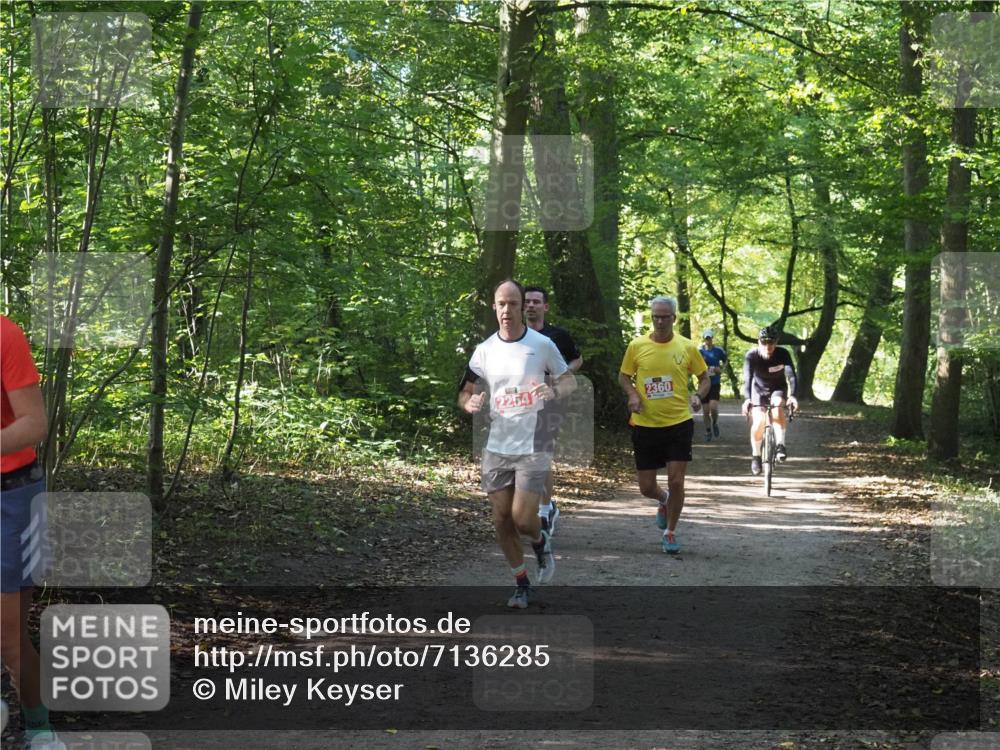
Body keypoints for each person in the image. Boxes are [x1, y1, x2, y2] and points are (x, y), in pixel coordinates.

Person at [459, 280, 576, 608]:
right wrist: (469, 403)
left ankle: (540, 541)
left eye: (513, 303)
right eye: (501, 304)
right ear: (494, 307)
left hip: (534, 442)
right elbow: (465, 390)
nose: (507, 310)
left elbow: (569, 381)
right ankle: (522, 583)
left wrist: (553, 390)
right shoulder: (484, 350)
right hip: (497, 445)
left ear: (522, 306)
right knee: (501, 519)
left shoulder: (542, 345)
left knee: (523, 519)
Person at [1, 314, 63, 750]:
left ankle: (40, 730)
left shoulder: (5, 335)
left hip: (10, 496)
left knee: (7, 636)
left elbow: (33, 423)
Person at [619, 296, 710, 554]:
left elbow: (704, 378)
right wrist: (633, 394)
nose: (660, 322)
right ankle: (663, 500)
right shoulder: (637, 346)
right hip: (645, 424)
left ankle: (670, 532)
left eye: (664, 317)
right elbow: (624, 376)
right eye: (656, 317)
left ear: (674, 318)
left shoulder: (687, 347)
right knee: (646, 487)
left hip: (678, 423)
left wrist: (698, 396)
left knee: (676, 481)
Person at [523, 285, 582, 535]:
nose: (531, 305)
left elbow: (577, 359)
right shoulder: (514, 336)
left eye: (536, 302)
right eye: (527, 301)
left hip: (550, 402)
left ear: (545, 307)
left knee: (541, 453)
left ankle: (545, 510)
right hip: (519, 404)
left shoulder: (558, 336)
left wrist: (561, 374)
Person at [740, 326, 799, 475]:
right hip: (758, 390)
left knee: (777, 407)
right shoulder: (752, 356)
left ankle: (780, 445)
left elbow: (791, 376)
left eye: (771, 342)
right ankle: (756, 455)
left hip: (778, 388)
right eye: (764, 342)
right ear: (758, 342)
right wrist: (747, 400)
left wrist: (793, 396)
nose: (768, 346)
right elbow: (747, 379)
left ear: (776, 342)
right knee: (759, 421)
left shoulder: (783, 353)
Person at [698, 330, 727, 442]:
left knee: (713, 407)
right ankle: (708, 430)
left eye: (709, 338)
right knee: (705, 410)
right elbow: (693, 364)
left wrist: (721, 369)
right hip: (703, 383)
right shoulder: (699, 351)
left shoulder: (718, 350)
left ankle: (714, 422)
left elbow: (725, 361)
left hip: (715, 383)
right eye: (706, 338)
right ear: (703, 339)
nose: (708, 340)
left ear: (712, 338)